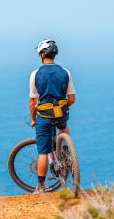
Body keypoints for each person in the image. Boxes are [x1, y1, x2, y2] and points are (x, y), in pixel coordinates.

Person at [29, 39, 76, 194]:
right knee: (63, 126)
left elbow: (32, 101)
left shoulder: (35, 74)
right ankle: (66, 150)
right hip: (61, 113)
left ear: (42, 54)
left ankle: (40, 187)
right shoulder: (66, 72)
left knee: (43, 152)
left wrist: (34, 119)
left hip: (44, 115)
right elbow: (72, 100)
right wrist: (62, 107)